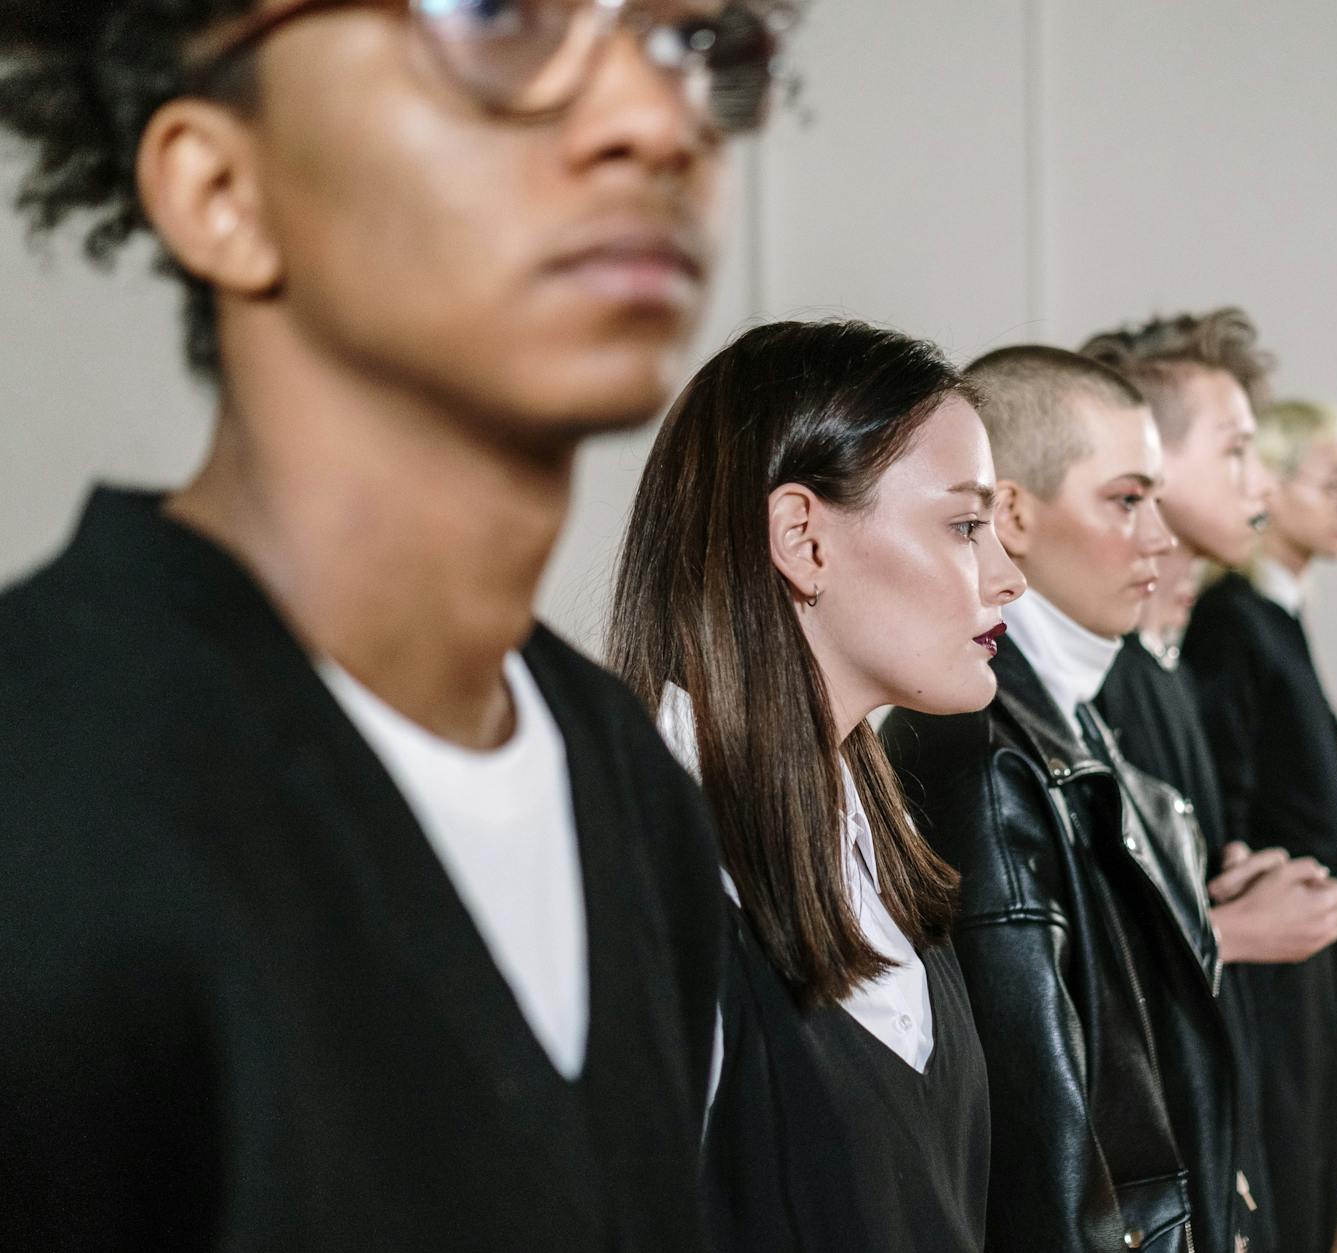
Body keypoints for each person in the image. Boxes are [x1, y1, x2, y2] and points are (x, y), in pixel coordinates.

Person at [0, 2, 789, 1247]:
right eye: (491, 15)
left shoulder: (627, 784)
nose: (655, 120)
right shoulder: (47, 791)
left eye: (690, 41)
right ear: (219, 188)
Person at [607, 319, 1024, 1253]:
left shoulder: (871, 819)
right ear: (803, 538)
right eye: (964, 524)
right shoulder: (648, 868)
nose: (1006, 577)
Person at [883, 346, 1267, 1253]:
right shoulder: (993, 755)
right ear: (1012, 511)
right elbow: (1043, 1155)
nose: (1161, 537)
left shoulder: (1072, 716)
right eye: (1126, 500)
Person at [1084, 312, 1337, 1251]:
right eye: (1236, 450)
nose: (1258, 483)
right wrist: (1226, 927)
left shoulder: (1164, 654)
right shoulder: (1100, 674)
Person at [1182, 395, 1337, 1253]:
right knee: (1287, 1169)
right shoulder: (1232, 620)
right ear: (1273, 487)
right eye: (1332, 483)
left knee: (1317, 1159)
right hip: (1275, 938)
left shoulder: (1279, 616)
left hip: (1317, 925)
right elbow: (1223, 801)